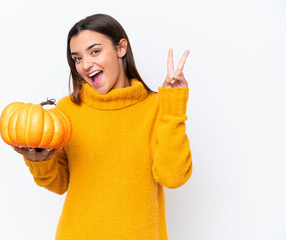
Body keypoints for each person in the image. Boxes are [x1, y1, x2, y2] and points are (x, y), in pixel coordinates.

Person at [13, 13, 192, 240]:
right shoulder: (67, 109)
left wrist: (174, 107)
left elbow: (173, 177)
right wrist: (40, 161)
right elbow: (59, 184)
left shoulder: (157, 106)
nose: (86, 65)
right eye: (77, 58)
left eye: (95, 51)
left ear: (121, 48)